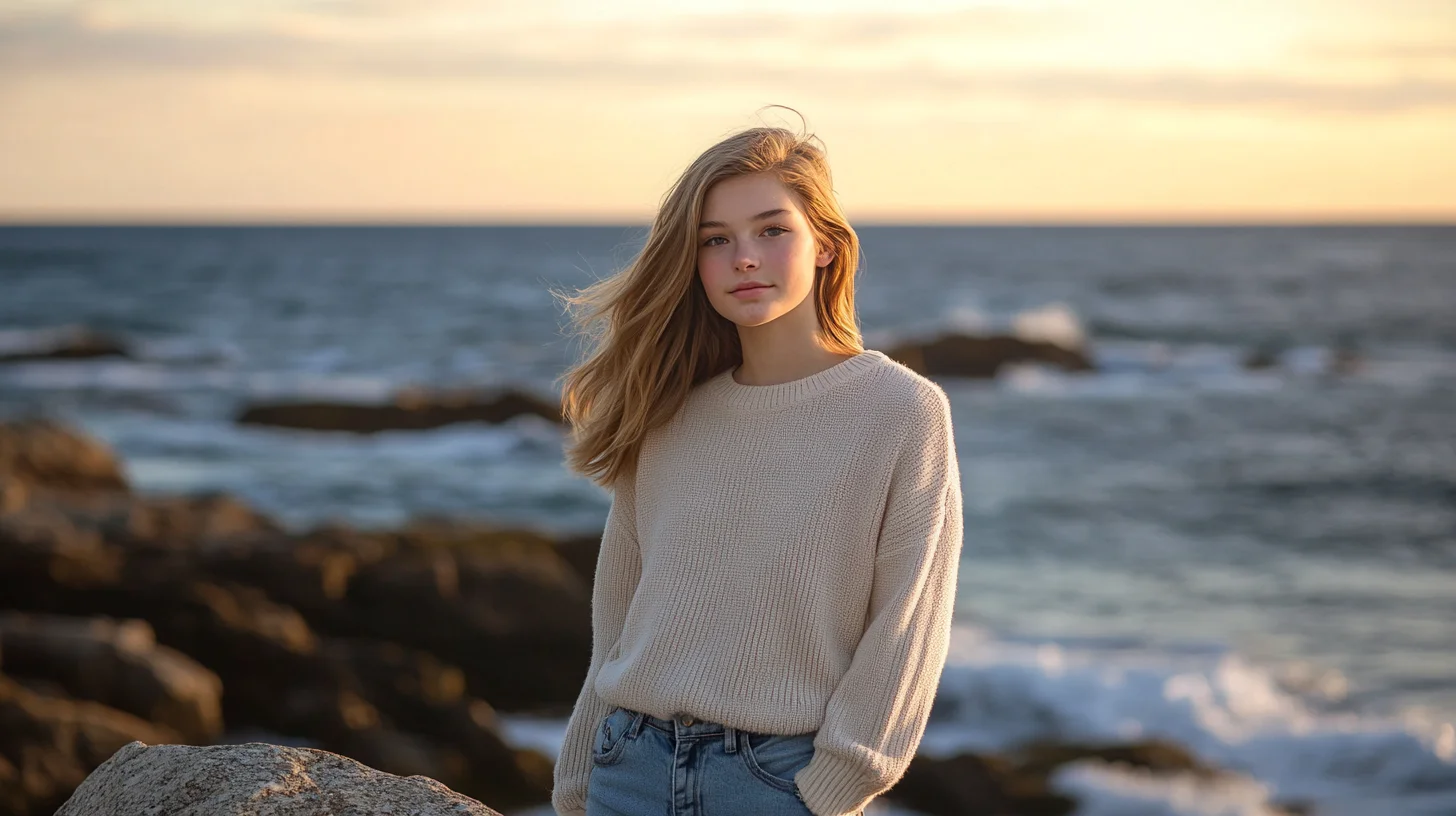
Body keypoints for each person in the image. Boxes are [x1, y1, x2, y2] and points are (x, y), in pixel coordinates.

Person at [548, 115, 964, 816]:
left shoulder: (901, 410)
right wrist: (580, 771)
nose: (744, 257)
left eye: (772, 229)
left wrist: (837, 783)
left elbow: (910, 621)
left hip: (776, 784)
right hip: (628, 769)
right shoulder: (667, 413)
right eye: (716, 240)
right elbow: (619, 614)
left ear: (826, 245)